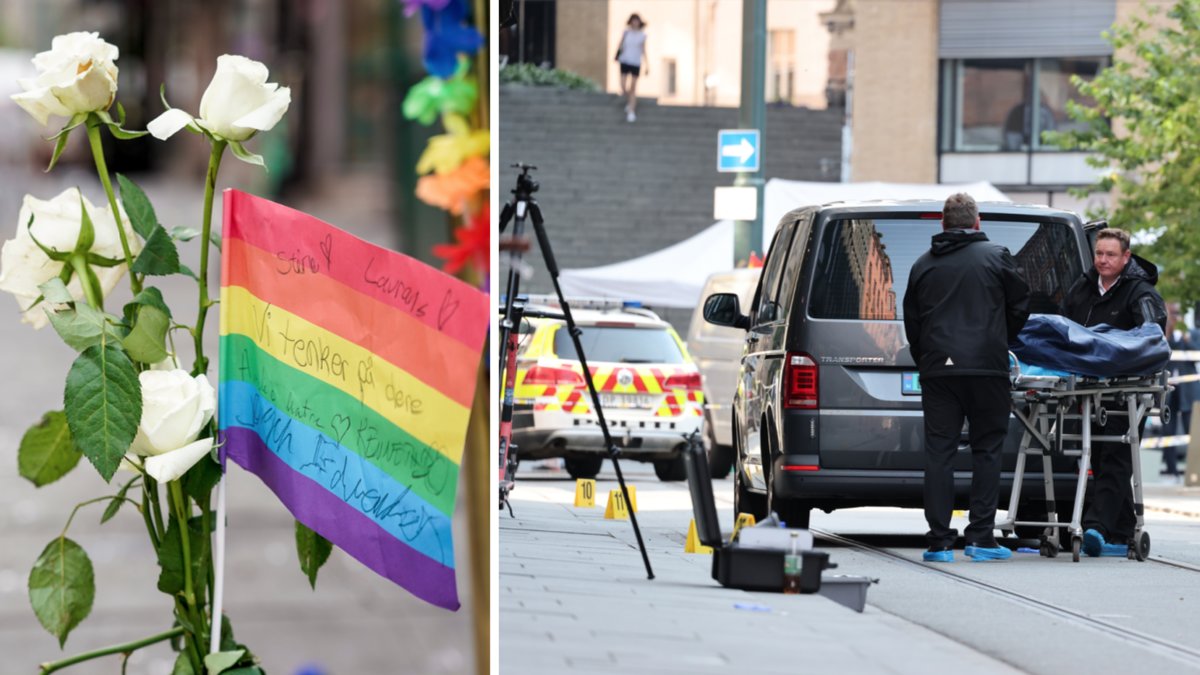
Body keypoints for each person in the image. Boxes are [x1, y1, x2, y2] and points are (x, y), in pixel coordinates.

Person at [903, 193, 1031, 562]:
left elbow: (913, 321)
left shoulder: (923, 264)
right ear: (977, 222)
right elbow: (1021, 304)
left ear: (943, 223)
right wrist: (999, 338)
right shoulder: (996, 256)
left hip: (938, 371)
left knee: (939, 452)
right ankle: (980, 538)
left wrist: (928, 359)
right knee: (987, 449)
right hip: (987, 367)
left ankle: (939, 542)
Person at [1059, 227, 1167, 556]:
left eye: (1110, 255)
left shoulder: (1140, 293)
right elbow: (1064, 325)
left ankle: (1096, 527)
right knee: (1098, 457)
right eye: (1099, 253)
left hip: (1126, 389)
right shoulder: (1082, 287)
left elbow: (1151, 337)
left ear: (1126, 257)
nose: (1103, 260)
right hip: (1087, 388)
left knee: (1116, 456)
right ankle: (1121, 531)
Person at [614, 14, 648, 123]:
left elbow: (644, 49)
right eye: (633, 20)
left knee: (633, 87)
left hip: (636, 62)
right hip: (625, 60)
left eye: (636, 21)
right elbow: (620, 44)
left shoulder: (642, 35)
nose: (635, 23)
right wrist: (617, 55)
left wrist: (647, 64)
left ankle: (631, 110)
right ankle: (630, 101)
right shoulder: (626, 33)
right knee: (623, 85)